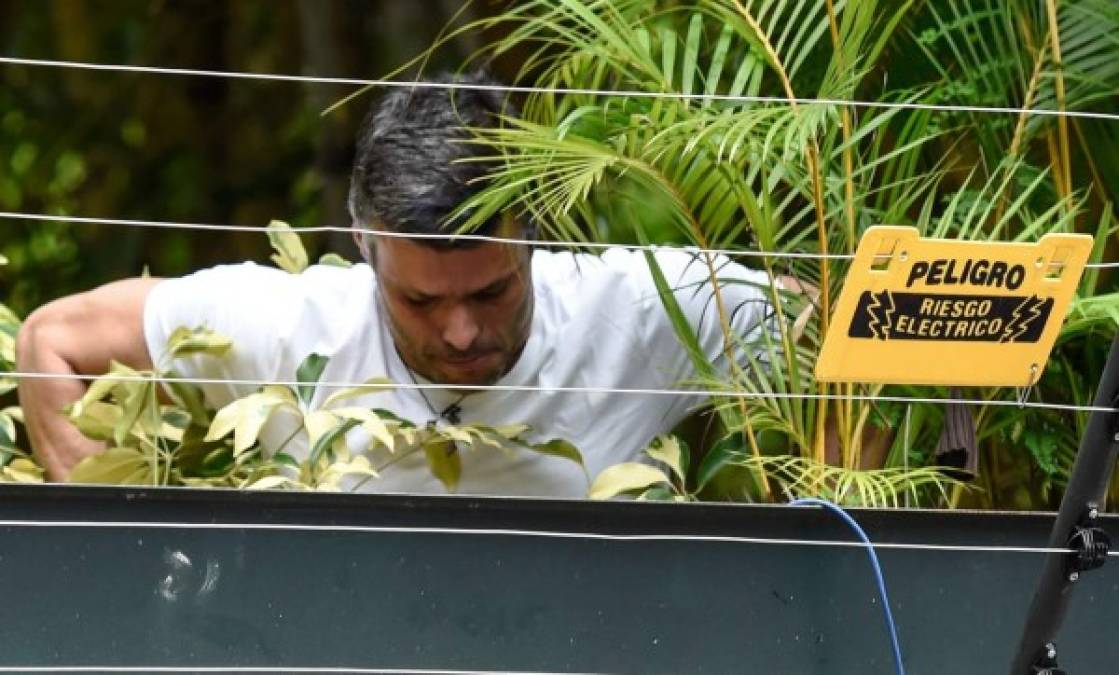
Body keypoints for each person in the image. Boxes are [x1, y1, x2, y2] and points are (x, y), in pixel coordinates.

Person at [16, 73, 779, 497]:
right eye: (419, 300)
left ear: (531, 238)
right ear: (364, 245)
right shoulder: (286, 324)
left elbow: (831, 339)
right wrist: (116, 544)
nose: (459, 332)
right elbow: (52, 340)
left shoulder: (639, 306)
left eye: (490, 292)